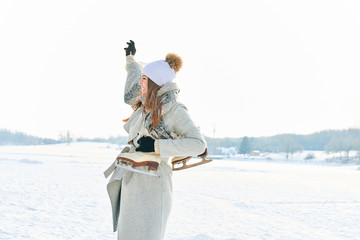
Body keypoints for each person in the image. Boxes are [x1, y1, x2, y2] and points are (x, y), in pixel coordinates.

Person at [104, 40, 206, 240]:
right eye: (141, 78)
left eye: (144, 79)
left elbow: (198, 144)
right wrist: (131, 61)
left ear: (155, 82)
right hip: (132, 180)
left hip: (154, 184)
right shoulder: (144, 105)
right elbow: (130, 92)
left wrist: (156, 146)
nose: (140, 83)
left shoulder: (175, 109)